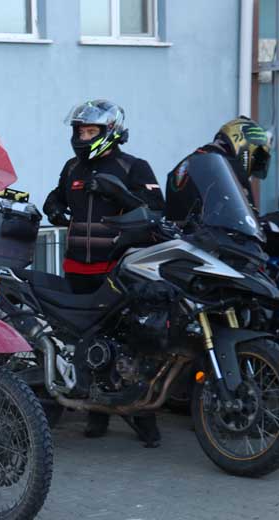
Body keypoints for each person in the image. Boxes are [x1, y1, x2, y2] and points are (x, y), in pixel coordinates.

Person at [42, 99, 165, 445]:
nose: (83, 136)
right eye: (80, 130)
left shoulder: (133, 167)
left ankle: (143, 415)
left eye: (90, 130)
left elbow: (157, 210)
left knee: (128, 342)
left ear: (110, 132)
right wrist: (53, 205)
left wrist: (119, 192)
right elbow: (58, 196)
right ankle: (97, 412)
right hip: (77, 267)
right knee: (86, 342)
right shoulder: (72, 168)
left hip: (118, 269)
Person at [165, 116, 272, 222]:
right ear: (241, 140)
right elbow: (251, 222)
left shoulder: (186, 163)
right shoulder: (230, 168)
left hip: (180, 236)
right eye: (256, 157)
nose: (253, 169)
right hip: (209, 237)